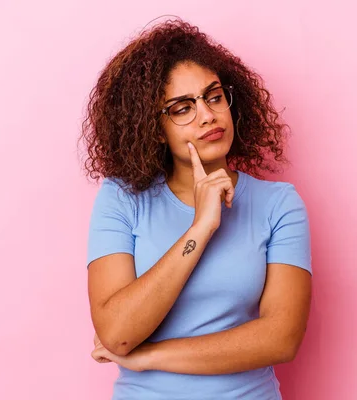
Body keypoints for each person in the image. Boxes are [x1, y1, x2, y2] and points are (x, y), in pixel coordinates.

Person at [80, 17, 312, 400]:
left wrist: (151, 355)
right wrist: (200, 228)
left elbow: (281, 338)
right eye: (183, 108)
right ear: (154, 128)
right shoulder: (121, 198)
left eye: (214, 96)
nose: (207, 115)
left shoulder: (279, 204)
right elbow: (117, 332)